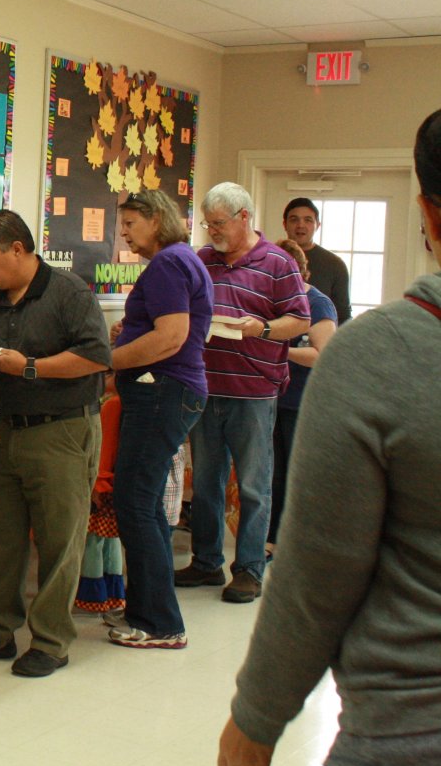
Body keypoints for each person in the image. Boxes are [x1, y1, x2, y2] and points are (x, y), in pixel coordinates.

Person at [217, 108, 441, 766]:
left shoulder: (380, 353)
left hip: (408, 735)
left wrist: (258, 714)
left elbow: (320, 566)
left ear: (429, 215)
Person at [0, 210, 110, 677]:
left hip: (62, 428)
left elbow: (95, 357)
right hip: (3, 428)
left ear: (17, 248)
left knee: (58, 538)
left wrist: (30, 366)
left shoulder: (68, 292)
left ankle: (51, 640)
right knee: (3, 537)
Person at [175, 182, 308, 604]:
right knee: (208, 484)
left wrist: (262, 328)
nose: (212, 231)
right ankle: (206, 562)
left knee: (253, 485)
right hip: (205, 387)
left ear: (244, 218)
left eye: (219, 223)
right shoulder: (202, 261)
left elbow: (299, 320)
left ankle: (249, 568)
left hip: (254, 392)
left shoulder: (277, 262)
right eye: (207, 223)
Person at [105, 189, 212, 649]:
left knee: (134, 503)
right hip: (168, 390)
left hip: (162, 390)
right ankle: (149, 612)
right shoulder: (181, 260)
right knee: (143, 506)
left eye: (130, 223)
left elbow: (170, 338)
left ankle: (160, 623)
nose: (124, 233)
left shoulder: (168, 263)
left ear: (155, 219)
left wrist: (108, 361)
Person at [267, 238, 337, 554]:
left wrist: (281, 348)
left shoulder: (318, 303)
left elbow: (323, 354)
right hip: (272, 398)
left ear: (298, 270)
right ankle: (271, 539)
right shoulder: (274, 303)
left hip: (302, 402)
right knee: (273, 473)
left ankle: (294, 540)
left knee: (295, 473)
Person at [74, 374, 126, 619]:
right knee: (110, 539)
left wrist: (98, 482)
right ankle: (114, 593)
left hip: (103, 485)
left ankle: (92, 595)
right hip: (113, 484)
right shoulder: (122, 403)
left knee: (94, 540)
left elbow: (104, 449)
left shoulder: (110, 406)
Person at [283, 197, 351, 324]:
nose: (300, 225)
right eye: (294, 219)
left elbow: (343, 316)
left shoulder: (335, 264)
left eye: (308, 220)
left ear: (317, 225)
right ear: (284, 224)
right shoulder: (270, 259)